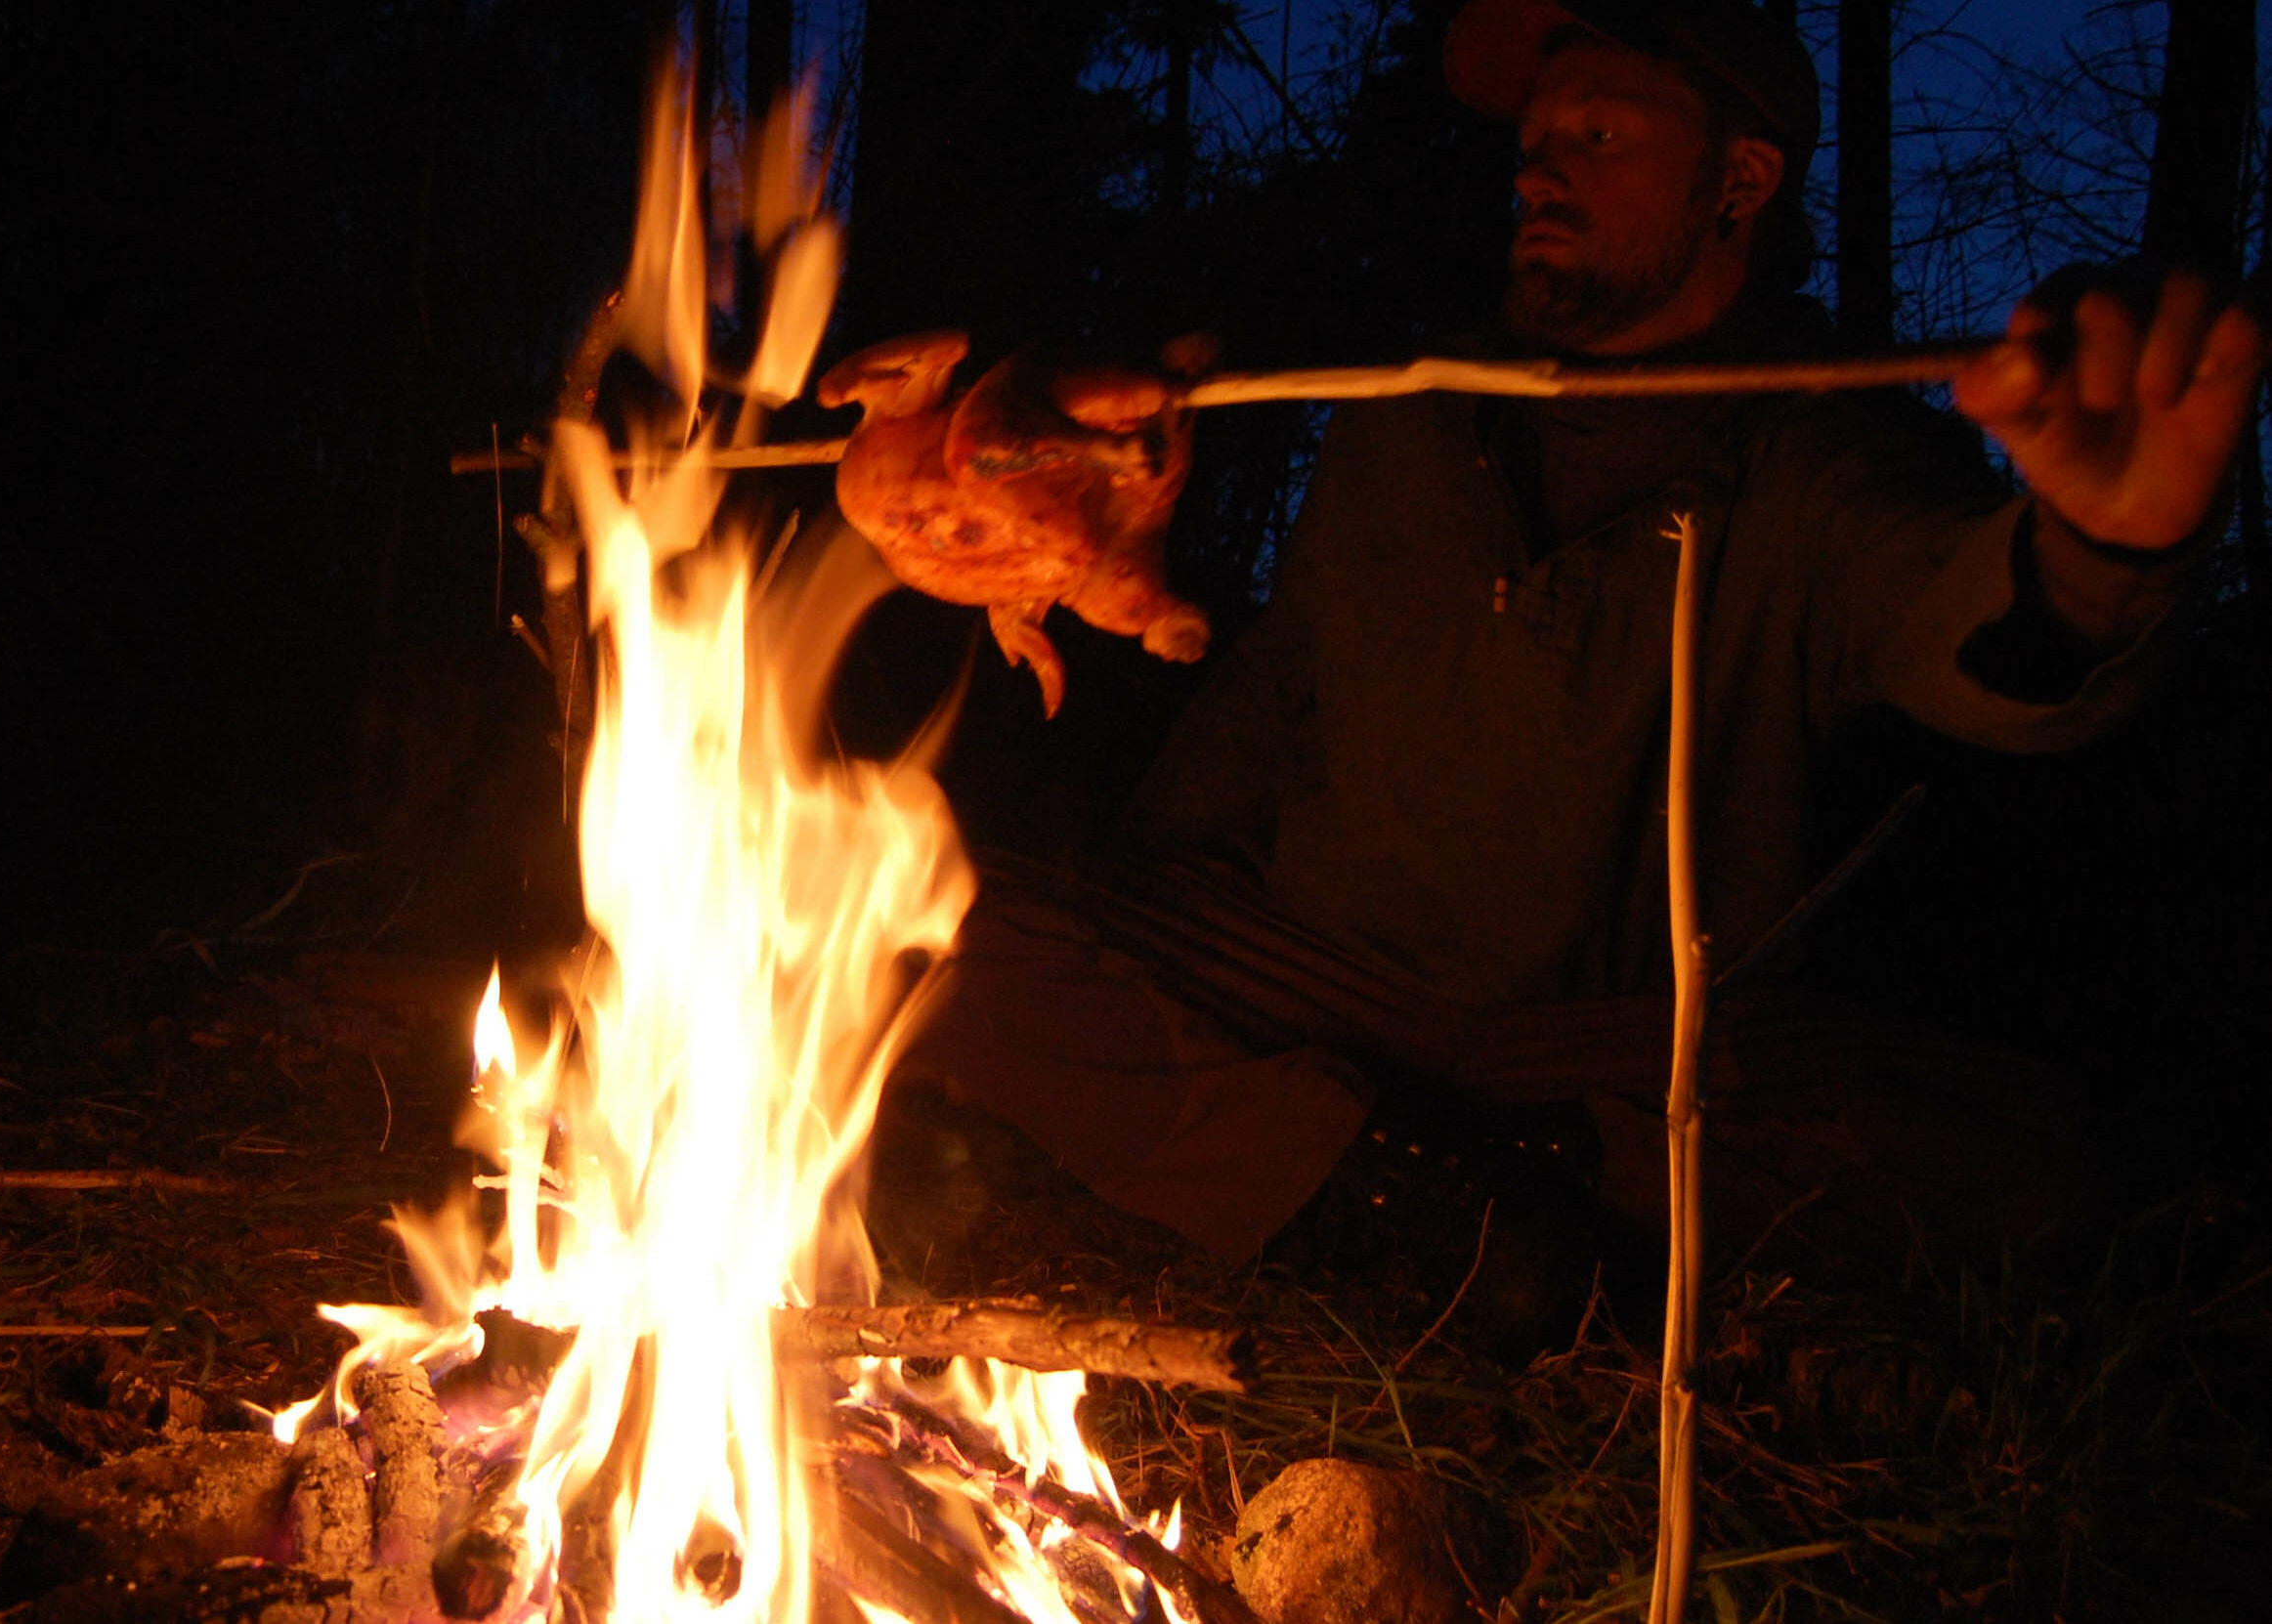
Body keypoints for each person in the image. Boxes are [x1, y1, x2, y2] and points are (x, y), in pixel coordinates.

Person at [891, 0, 2265, 1278]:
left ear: (1740, 183)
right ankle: (1428, 1204)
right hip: (1309, 968)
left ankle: (1437, 1198)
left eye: (1597, 137)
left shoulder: (1815, 459)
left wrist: (2106, 547)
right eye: (1535, 142)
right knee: (914, 929)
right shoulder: (1410, 412)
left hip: (1612, 1042)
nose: (1538, 172)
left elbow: (1984, 634)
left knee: (2027, 1156)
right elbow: (1269, 694)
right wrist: (1125, 916)